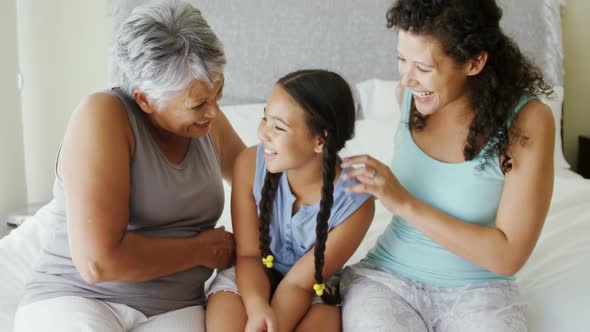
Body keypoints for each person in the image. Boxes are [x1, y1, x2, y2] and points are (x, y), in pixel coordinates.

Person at [14, 1, 244, 331]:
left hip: (176, 306)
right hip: (80, 296)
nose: (212, 110)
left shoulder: (207, 121)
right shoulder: (104, 115)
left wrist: (333, 175)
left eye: (218, 91)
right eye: (199, 103)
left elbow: (261, 179)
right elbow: (99, 262)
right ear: (145, 99)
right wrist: (201, 250)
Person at [340, 0, 555, 331]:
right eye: (401, 60)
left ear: (475, 61)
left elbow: (509, 255)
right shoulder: (411, 96)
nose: (408, 79)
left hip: (480, 293)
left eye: (423, 68)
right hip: (388, 281)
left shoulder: (527, 121)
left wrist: (403, 202)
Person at [206, 70, 375, 332]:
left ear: (320, 140)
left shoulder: (356, 202)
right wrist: (258, 308)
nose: (263, 133)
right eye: (265, 118)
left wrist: (272, 327)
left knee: (326, 319)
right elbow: (249, 255)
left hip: (314, 287)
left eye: (279, 126)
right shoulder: (249, 165)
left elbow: (298, 284)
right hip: (249, 276)